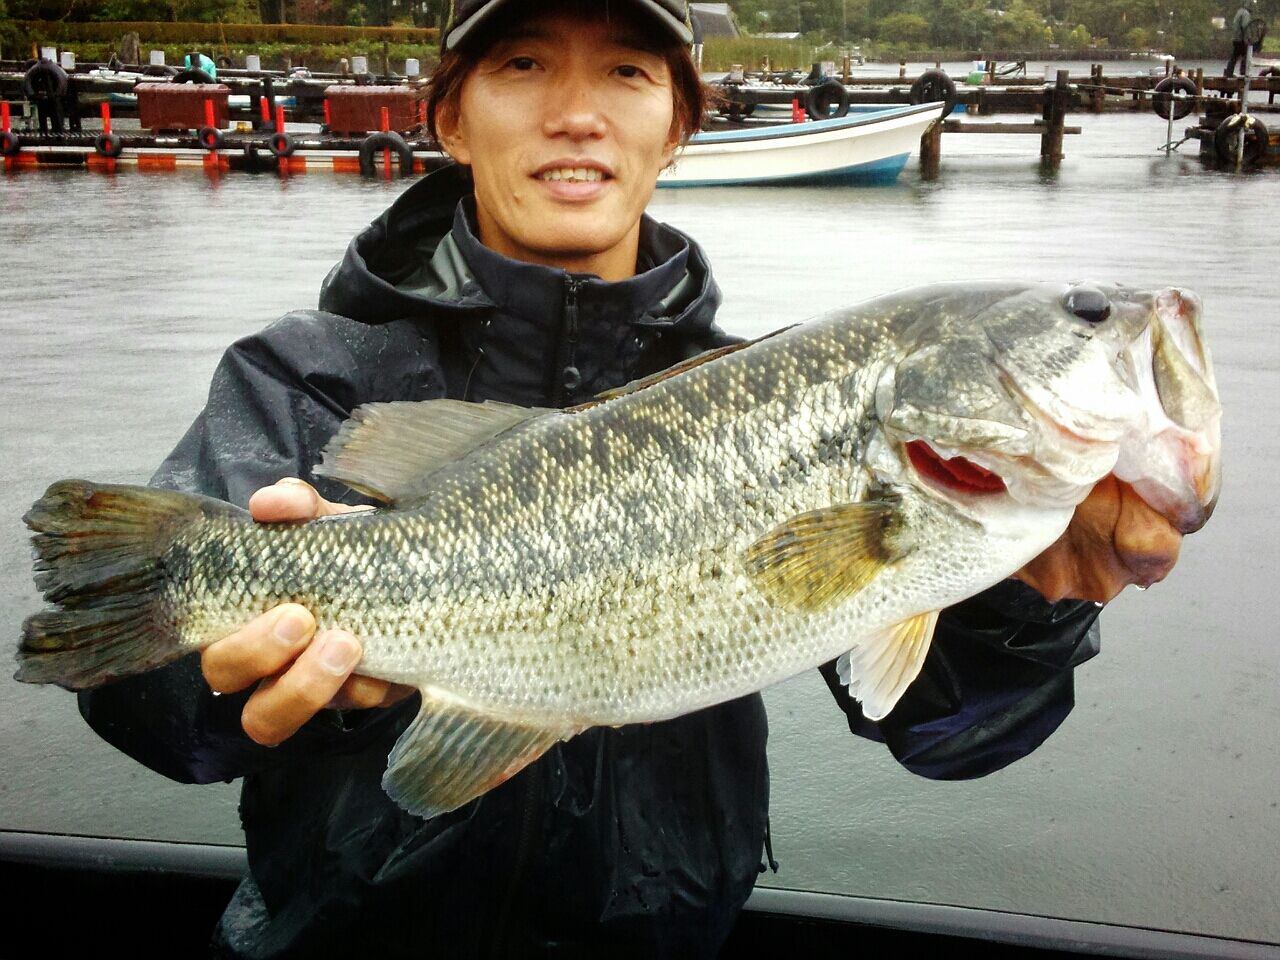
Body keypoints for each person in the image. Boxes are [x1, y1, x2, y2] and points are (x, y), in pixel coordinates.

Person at [77, 1, 1184, 956]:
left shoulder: (773, 403)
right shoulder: (304, 378)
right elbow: (145, 716)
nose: (576, 110)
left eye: (626, 70)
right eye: (521, 64)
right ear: (450, 118)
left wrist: (1034, 611)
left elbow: (943, 739)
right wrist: (287, 700)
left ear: (676, 126)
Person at [1225, 2, 1254, 78]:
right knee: (1246, 55)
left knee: (1234, 56)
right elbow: (1245, 26)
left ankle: (1229, 72)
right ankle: (1244, 72)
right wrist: (1247, 38)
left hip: (1235, 38)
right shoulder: (1246, 14)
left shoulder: (1239, 12)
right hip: (1241, 39)